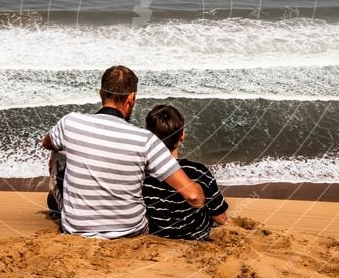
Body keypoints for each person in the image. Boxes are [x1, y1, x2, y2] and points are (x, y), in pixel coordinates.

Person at [41, 65, 205, 238]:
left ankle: (60, 200)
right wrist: (202, 198)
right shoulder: (145, 140)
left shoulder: (70, 123)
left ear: (100, 93)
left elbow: (47, 143)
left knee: (58, 152)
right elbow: (193, 195)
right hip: (132, 231)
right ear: (131, 98)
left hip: (76, 230)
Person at [142, 104, 228, 240]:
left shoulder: (143, 174)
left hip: (159, 237)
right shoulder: (198, 171)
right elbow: (220, 218)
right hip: (198, 237)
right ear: (182, 135)